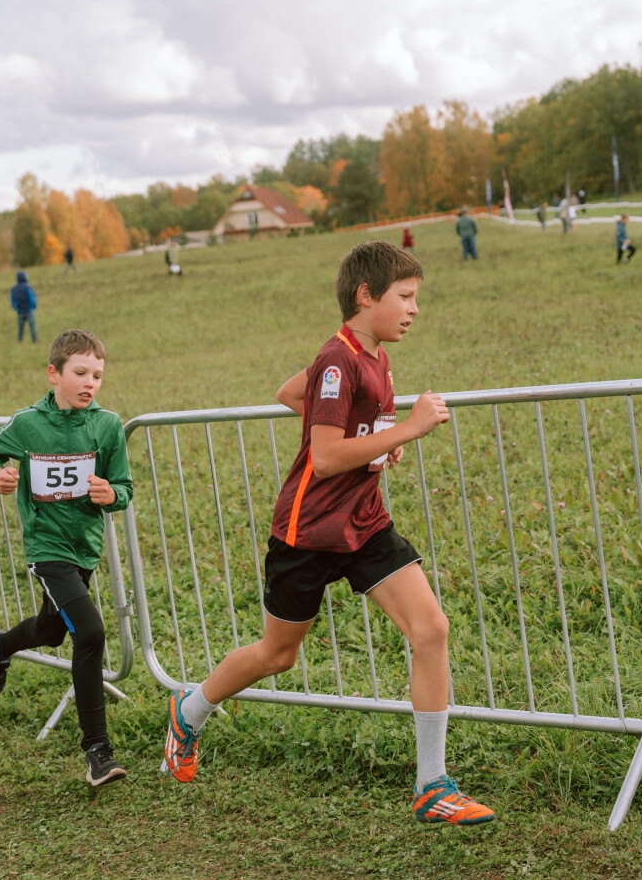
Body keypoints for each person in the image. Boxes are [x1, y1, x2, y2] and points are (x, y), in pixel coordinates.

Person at [160, 241, 496, 826]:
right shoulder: (339, 359)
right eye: (406, 297)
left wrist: (373, 436)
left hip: (364, 525)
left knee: (431, 628)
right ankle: (188, 711)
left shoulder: (374, 355)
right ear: (367, 297)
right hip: (307, 533)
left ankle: (432, 786)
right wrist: (404, 432)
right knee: (277, 655)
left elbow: (293, 394)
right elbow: (326, 457)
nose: (415, 309)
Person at [0, 329, 134, 787]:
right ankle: (97, 752)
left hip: (84, 547)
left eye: (98, 375)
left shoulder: (107, 426)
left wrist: (111, 494)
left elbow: (123, 486)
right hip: (47, 548)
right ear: (54, 373)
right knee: (89, 631)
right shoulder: (28, 424)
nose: (90, 383)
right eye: (80, 373)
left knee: (51, 630)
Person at [10, 271, 38, 343]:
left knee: (20, 328)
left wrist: (16, 308)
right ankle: (34, 341)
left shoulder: (13, 289)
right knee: (32, 327)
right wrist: (33, 306)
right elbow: (32, 299)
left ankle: (19, 340)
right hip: (29, 311)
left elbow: (12, 300)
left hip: (20, 311)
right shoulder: (28, 287)